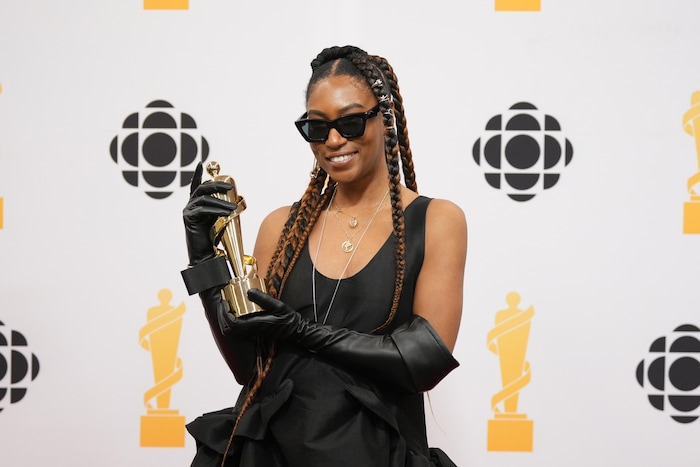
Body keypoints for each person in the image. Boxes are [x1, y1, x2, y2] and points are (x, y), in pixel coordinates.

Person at [181, 45, 468, 467]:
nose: (333, 141)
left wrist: (301, 331)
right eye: (316, 128)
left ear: (383, 119)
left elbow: (422, 362)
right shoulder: (282, 227)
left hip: (376, 454)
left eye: (350, 122)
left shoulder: (435, 220)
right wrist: (204, 256)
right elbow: (249, 368)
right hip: (270, 454)